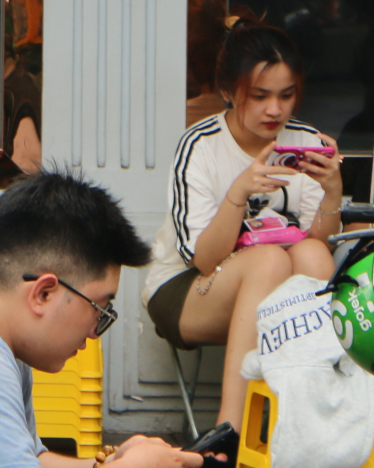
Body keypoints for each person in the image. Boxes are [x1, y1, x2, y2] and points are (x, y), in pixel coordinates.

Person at [0, 170, 206, 468]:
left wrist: (111, 461)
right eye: (98, 308)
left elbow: (31, 459)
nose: (96, 332)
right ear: (43, 293)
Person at [142, 23, 345, 435]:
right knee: (268, 260)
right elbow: (203, 259)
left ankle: (318, 427)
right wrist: (238, 194)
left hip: (271, 288)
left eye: (286, 95)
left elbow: (316, 244)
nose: (275, 110)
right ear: (229, 92)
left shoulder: (304, 143)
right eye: (260, 96)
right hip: (186, 288)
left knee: (312, 254)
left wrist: (332, 193)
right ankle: (230, 431)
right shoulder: (200, 146)